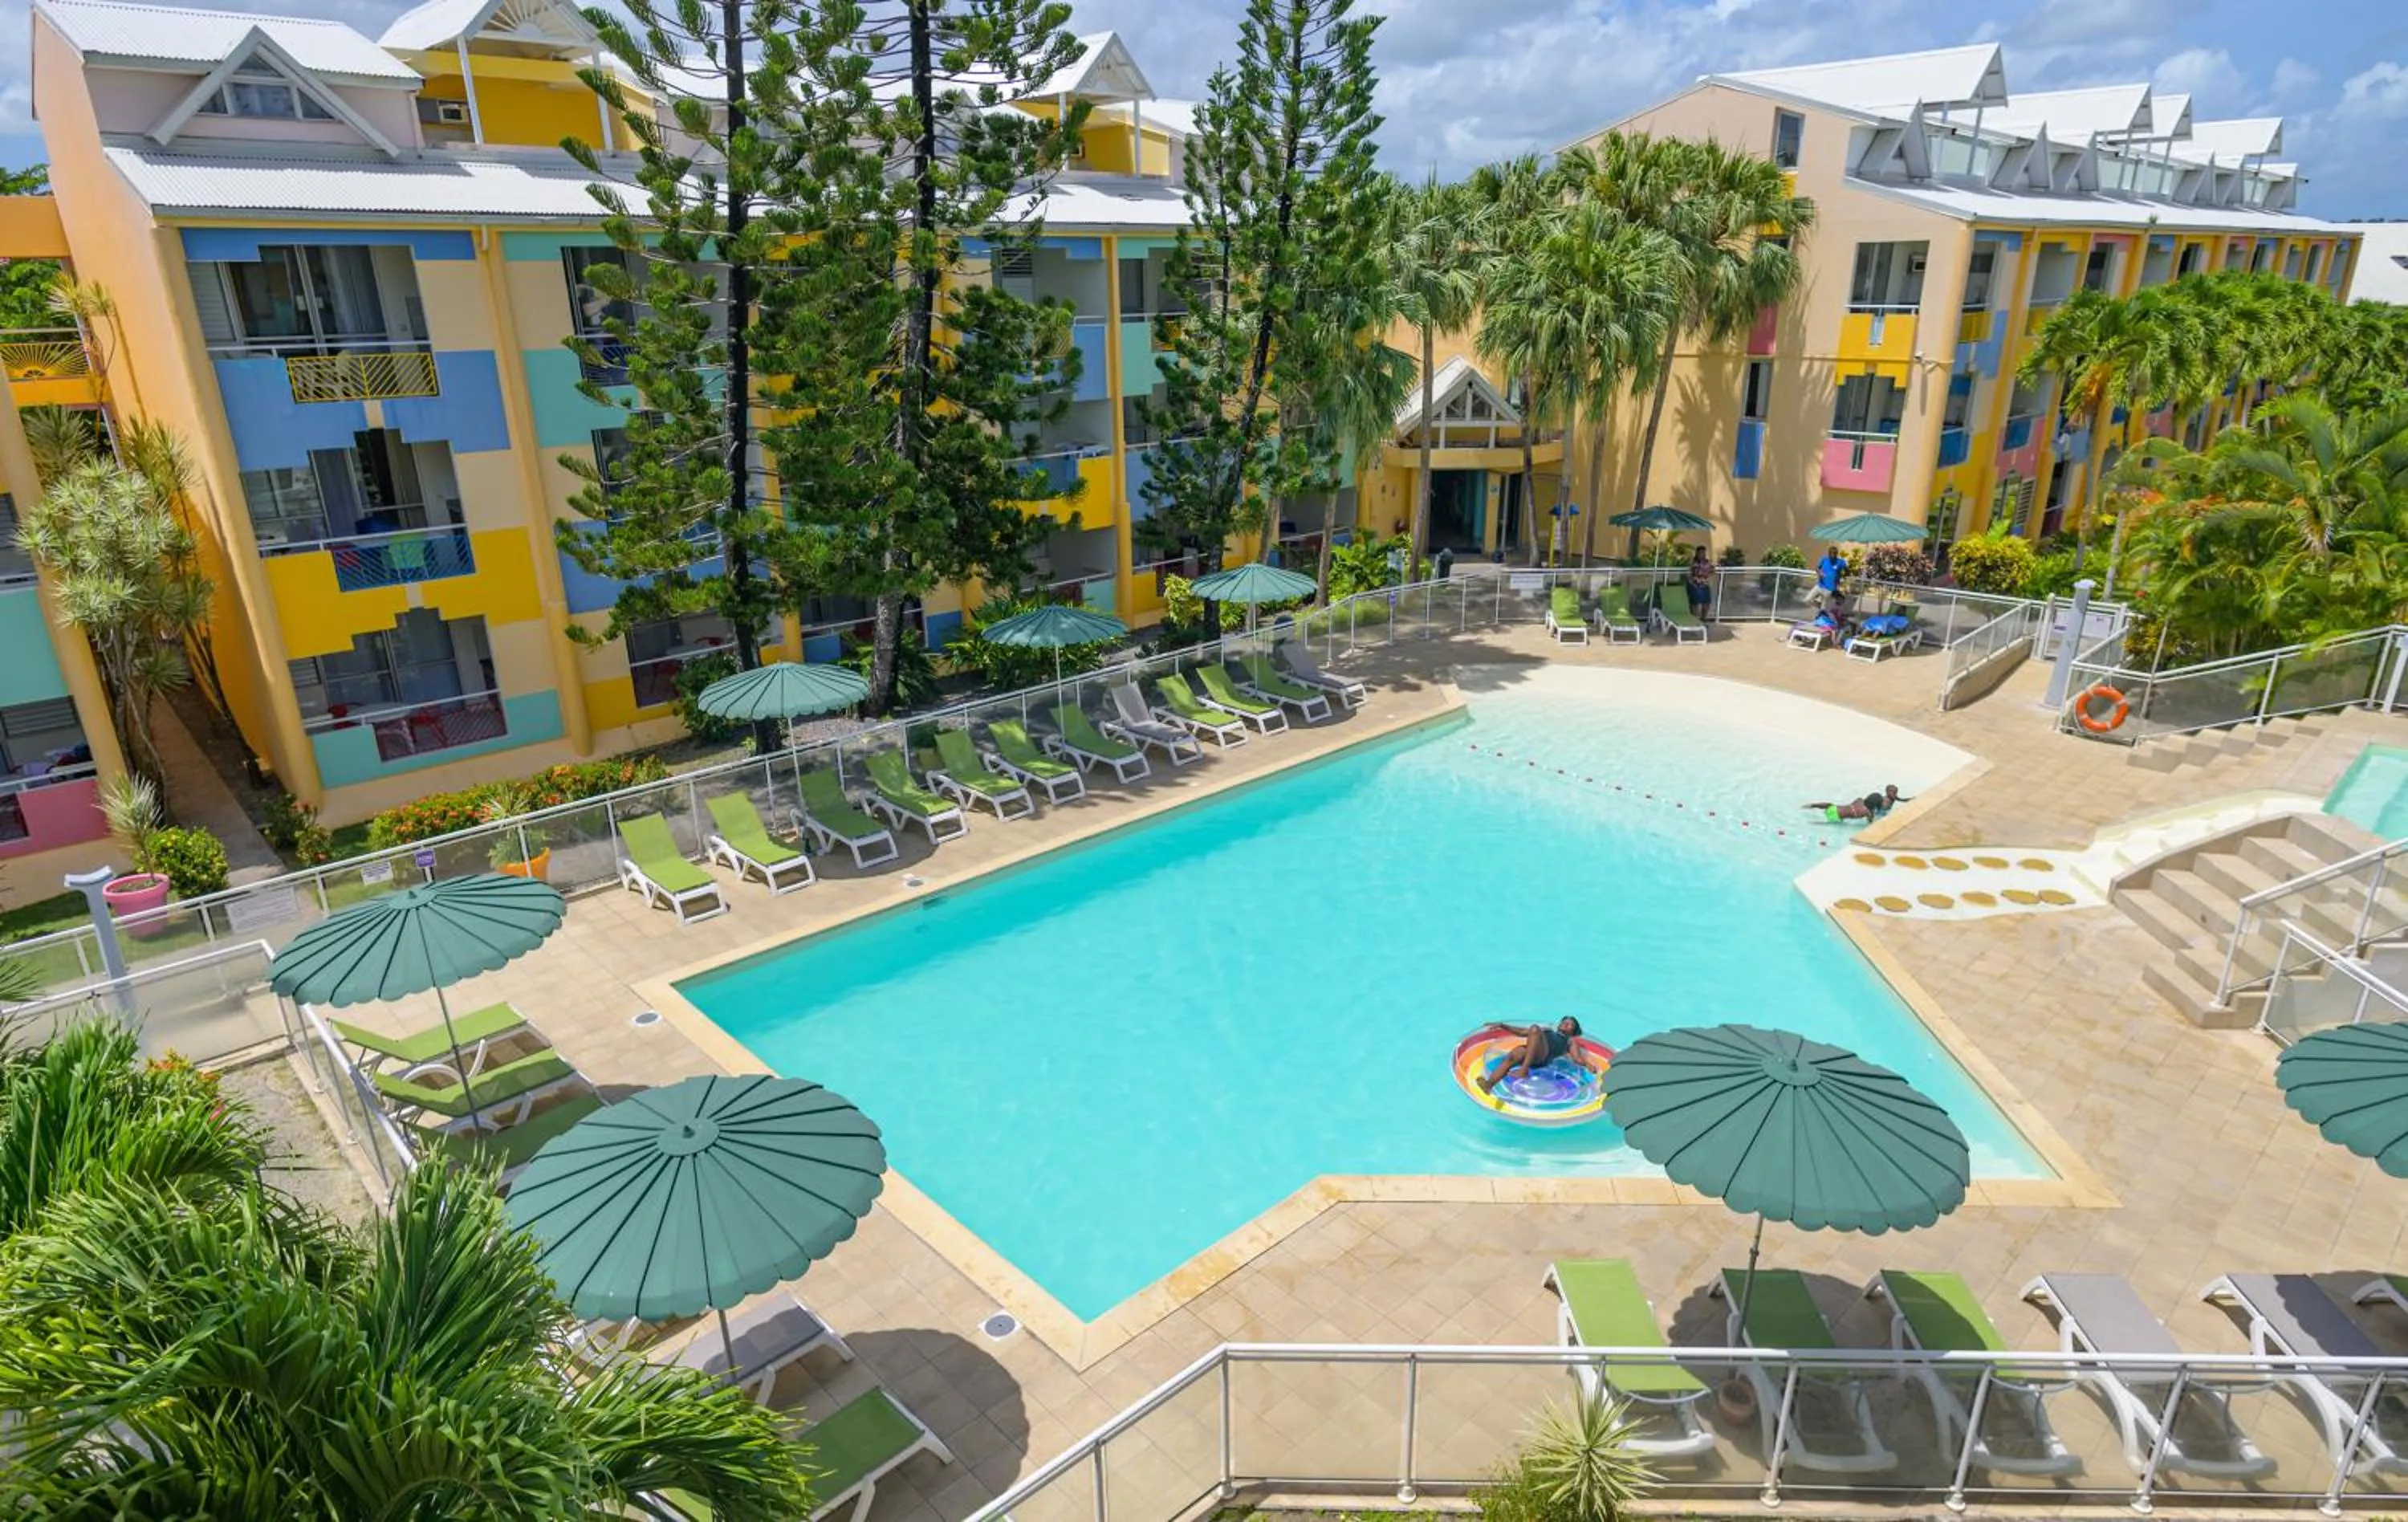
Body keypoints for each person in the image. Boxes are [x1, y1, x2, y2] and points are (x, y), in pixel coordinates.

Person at [1479, 1017, 1588, 1093]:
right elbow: (1522, 1032)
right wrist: (1502, 1025)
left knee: (1535, 1028)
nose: (1566, 1024)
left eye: (1570, 1025)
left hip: (1543, 1057)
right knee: (1515, 1054)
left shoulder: (1570, 1042)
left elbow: (1577, 1059)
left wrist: (1588, 1064)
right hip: (1532, 1053)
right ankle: (1488, 1085)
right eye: (1564, 1022)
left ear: (1573, 1031)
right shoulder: (1547, 1030)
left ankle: (1523, 1070)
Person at [1685, 547, 1714, 617]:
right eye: (1700, 553)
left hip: (1705, 585)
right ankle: (1694, 620)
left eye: (1703, 553)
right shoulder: (1694, 563)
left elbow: (1712, 571)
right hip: (1695, 585)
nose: (1702, 554)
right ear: (1697, 554)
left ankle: (1703, 620)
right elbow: (1696, 573)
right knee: (1695, 603)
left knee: (1707, 603)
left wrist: (1706, 572)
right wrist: (1705, 571)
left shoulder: (1708, 562)